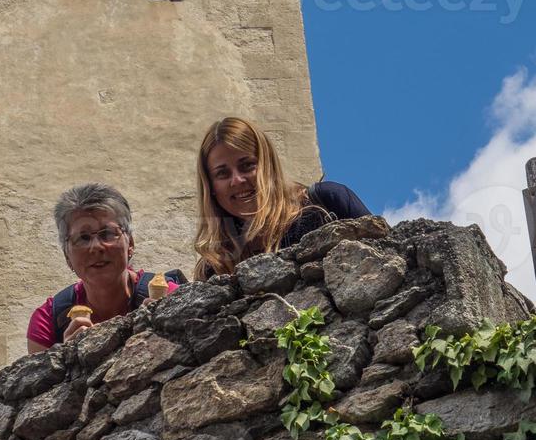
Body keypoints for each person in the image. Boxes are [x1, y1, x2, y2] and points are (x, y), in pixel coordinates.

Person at [194, 117, 371, 279]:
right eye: (222, 173)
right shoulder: (215, 267)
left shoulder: (327, 204)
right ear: (211, 187)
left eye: (247, 165)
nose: (237, 180)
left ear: (268, 165)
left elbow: (391, 259)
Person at [28, 182, 184, 351]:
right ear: (67, 256)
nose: (96, 247)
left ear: (130, 243)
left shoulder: (171, 297)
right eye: (83, 238)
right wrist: (66, 360)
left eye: (107, 233)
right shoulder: (47, 323)